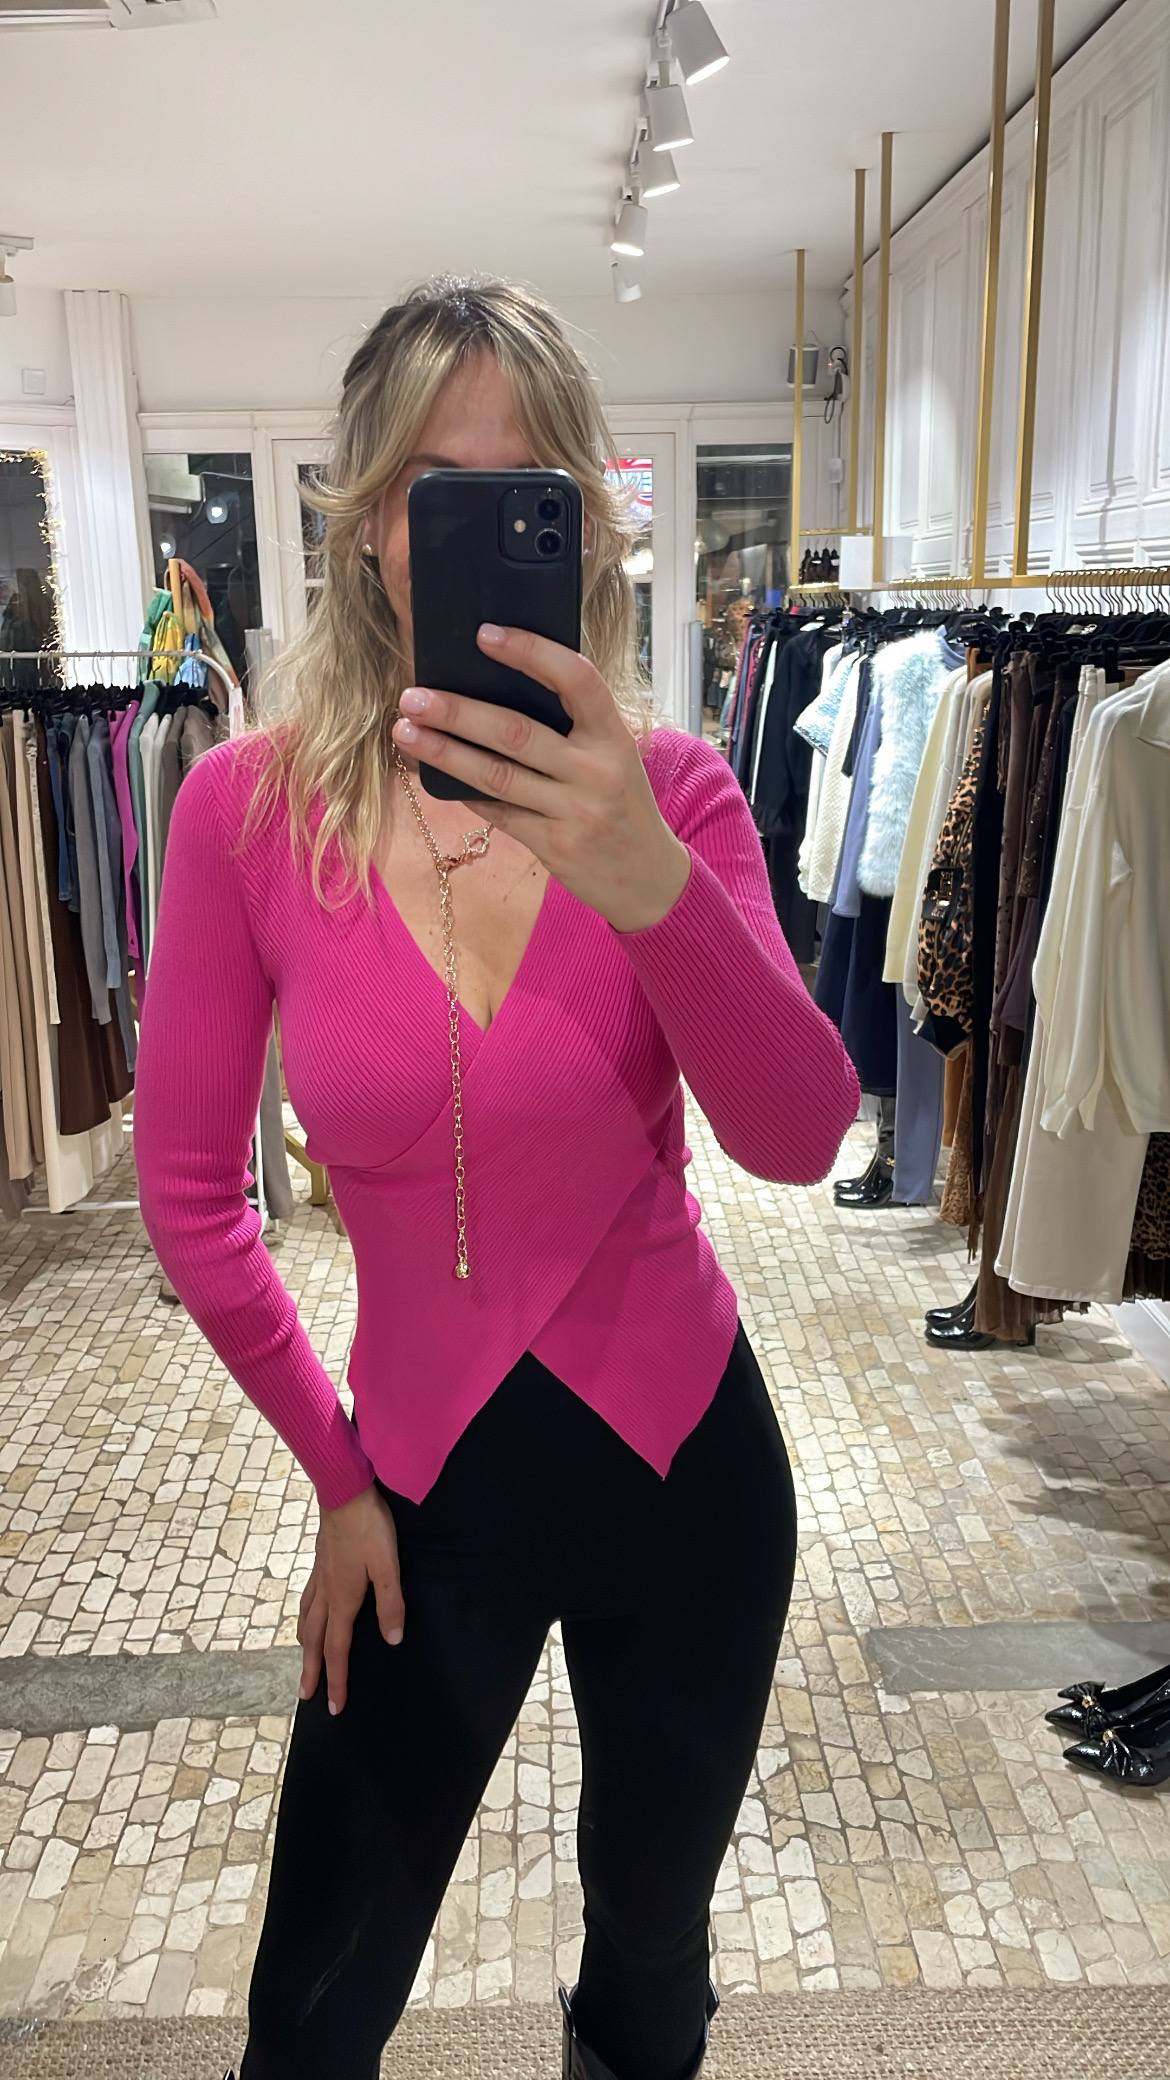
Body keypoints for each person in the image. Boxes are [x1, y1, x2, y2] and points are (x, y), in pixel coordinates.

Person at [134, 277, 859, 2080]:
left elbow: (794, 1135)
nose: (465, 524)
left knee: (650, 1959)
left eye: (523, 485)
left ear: (584, 524)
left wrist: (645, 879)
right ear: (367, 525)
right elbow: (191, 1199)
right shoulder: (245, 814)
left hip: (687, 1473)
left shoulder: (672, 793)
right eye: (427, 486)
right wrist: (334, 1479)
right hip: (416, 1497)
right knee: (313, 2007)